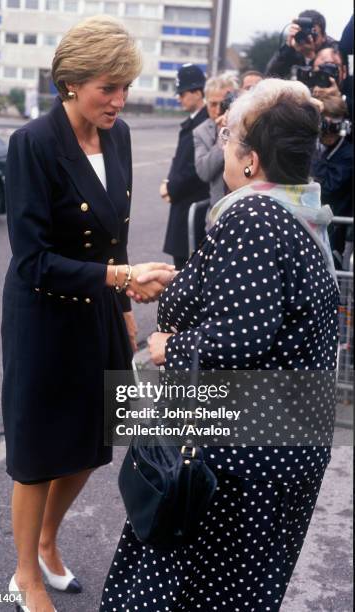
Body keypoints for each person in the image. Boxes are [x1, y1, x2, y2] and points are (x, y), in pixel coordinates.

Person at [101, 79, 339, 611]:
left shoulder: (254, 216)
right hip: (279, 453)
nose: (223, 144)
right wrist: (187, 280)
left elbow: (242, 338)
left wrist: (170, 348)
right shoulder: (300, 213)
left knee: (187, 593)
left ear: (251, 160)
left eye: (229, 136)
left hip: (238, 465)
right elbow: (262, 310)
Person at [2, 16, 173, 612]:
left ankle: (48, 543)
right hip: (43, 317)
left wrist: (125, 307)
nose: (119, 100)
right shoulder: (33, 144)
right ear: (71, 82)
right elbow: (32, 262)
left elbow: (112, 238)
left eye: (125, 86)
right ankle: (24, 574)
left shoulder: (119, 136)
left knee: (96, 440)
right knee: (38, 450)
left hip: (99, 310)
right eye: (108, 86)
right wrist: (122, 277)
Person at [161, 63, 210, 269]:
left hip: (191, 207)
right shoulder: (194, 121)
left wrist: (170, 187)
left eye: (183, 92)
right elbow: (180, 160)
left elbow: (194, 169)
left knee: (187, 274)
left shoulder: (204, 122)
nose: (179, 97)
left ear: (198, 92)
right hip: (184, 204)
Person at [311, 93, 353, 268]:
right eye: (325, 125)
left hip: (335, 230)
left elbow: (328, 187)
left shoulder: (348, 154)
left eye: (333, 125)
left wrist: (313, 158)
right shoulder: (316, 148)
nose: (328, 132)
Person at [193, 72, 239, 225]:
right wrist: (224, 135)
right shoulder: (201, 131)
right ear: (206, 104)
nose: (219, 109)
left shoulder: (249, 126)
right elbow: (204, 172)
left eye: (224, 103)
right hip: (218, 215)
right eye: (213, 104)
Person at [266, 9, 335, 79]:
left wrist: (310, 56)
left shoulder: (334, 50)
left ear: (324, 36)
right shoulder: (294, 45)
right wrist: (287, 48)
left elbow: (328, 82)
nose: (308, 37)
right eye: (304, 32)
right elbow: (270, 77)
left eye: (313, 34)